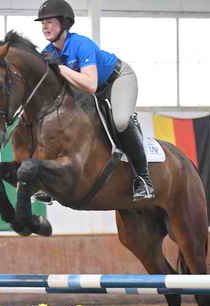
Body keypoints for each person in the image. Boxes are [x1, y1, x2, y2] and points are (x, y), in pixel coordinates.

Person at [34, 0, 155, 202]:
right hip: (92, 91)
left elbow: (90, 84)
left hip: (116, 79)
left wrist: (60, 68)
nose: (45, 26)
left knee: (121, 121)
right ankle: (50, 185)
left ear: (64, 23)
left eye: (50, 21)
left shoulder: (82, 44)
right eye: (42, 23)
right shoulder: (48, 52)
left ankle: (143, 179)